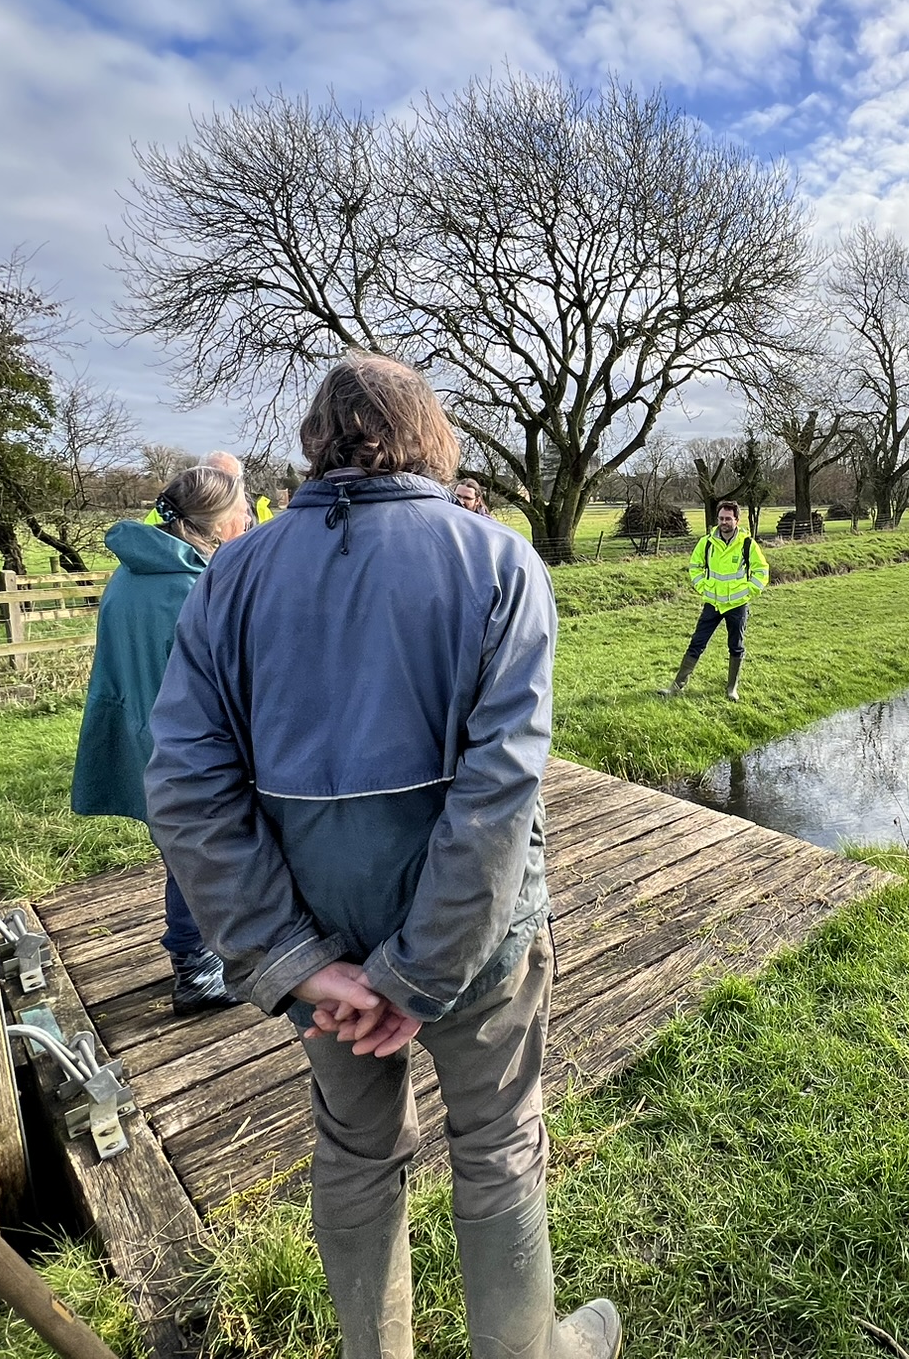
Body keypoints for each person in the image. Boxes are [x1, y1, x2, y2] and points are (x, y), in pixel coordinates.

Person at [145, 356, 620, 1359]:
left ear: (316, 445)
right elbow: (499, 793)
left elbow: (186, 785)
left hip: (321, 950)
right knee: (496, 1146)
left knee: (354, 1153)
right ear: (430, 434)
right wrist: (419, 972)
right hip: (476, 947)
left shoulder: (233, 571)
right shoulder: (498, 562)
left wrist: (298, 963)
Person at [72, 465, 250, 1015]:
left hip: (139, 736)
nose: (247, 517)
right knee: (203, 856)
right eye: (242, 508)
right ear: (219, 522)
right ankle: (197, 970)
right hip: (188, 748)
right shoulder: (194, 588)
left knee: (184, 853)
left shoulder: (129, 575)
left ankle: (202, 959)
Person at [660, 499, 768, 701]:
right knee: (696, 643)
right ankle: (676, 686)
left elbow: (761, 571)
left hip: (737, 605)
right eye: (721, 518)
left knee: (736, 646)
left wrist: (748, 592)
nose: (724, 522)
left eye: (728, 518)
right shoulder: (706, 542)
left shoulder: (747, 544)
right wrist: (703, 587)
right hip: (712, 604)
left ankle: (731, 689)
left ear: (737, 520)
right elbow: (695, 567)